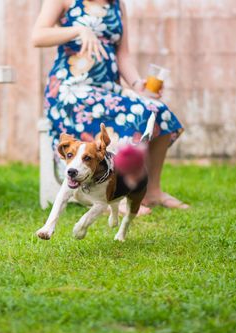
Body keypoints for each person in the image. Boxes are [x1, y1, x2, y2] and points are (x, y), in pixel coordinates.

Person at [32, 0, 189, 212]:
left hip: (107, 90)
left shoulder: (117, 4)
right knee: (134, 114)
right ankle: (117, 194)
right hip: (71, 90)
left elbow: (122, 54)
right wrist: (79, 30)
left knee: (157, 111)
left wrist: (137, 84)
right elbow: (38, 36)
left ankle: (152, 191)